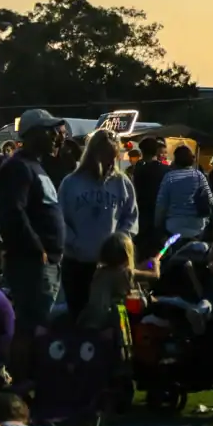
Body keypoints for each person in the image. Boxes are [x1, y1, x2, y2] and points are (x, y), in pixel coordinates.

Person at [0, 109, 66, 379]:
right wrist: (39, 249)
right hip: (32, 262)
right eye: (50, 132)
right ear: (33, 134)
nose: (57, 138)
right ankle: (21, 383)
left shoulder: (37, 166)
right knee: (29, 327)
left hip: (46, 262)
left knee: (38, 325)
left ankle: (30, 381)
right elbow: (13, 213)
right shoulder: (17, 167)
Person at [57, 129, 138, 322]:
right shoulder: (71, 183)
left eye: (113, 157)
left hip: (110, 266)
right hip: (77, 263)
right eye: (106, 157)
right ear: (92, 154)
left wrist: (120, 241)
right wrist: (75, 242)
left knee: (109, 321)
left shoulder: (122, 183)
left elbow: (131, 217)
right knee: (79, 319)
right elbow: (59, 219)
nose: (110, 162)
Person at [79, 232, 160, 329]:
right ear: (127, 255)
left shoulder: (100, 271)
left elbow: (133, 269)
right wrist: (155, 264)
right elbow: (155, 276)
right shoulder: (126, 273)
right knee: (147, 301)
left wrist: (146, 265)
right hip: (111, 319)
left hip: (93, 317)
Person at [154, 146, 213, 241]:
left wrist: (158, 224)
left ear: (176, 160)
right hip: (197, 226)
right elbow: (210, 200)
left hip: (174, 226)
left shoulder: (169, 177)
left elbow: (161, 204)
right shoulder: (199, 176)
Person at [131, 137, 168, 258]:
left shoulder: (138, 168)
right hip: (158, 211)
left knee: (142, 249)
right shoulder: (164, 169)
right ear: (156, 151)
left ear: (142, 151)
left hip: (141, 212)